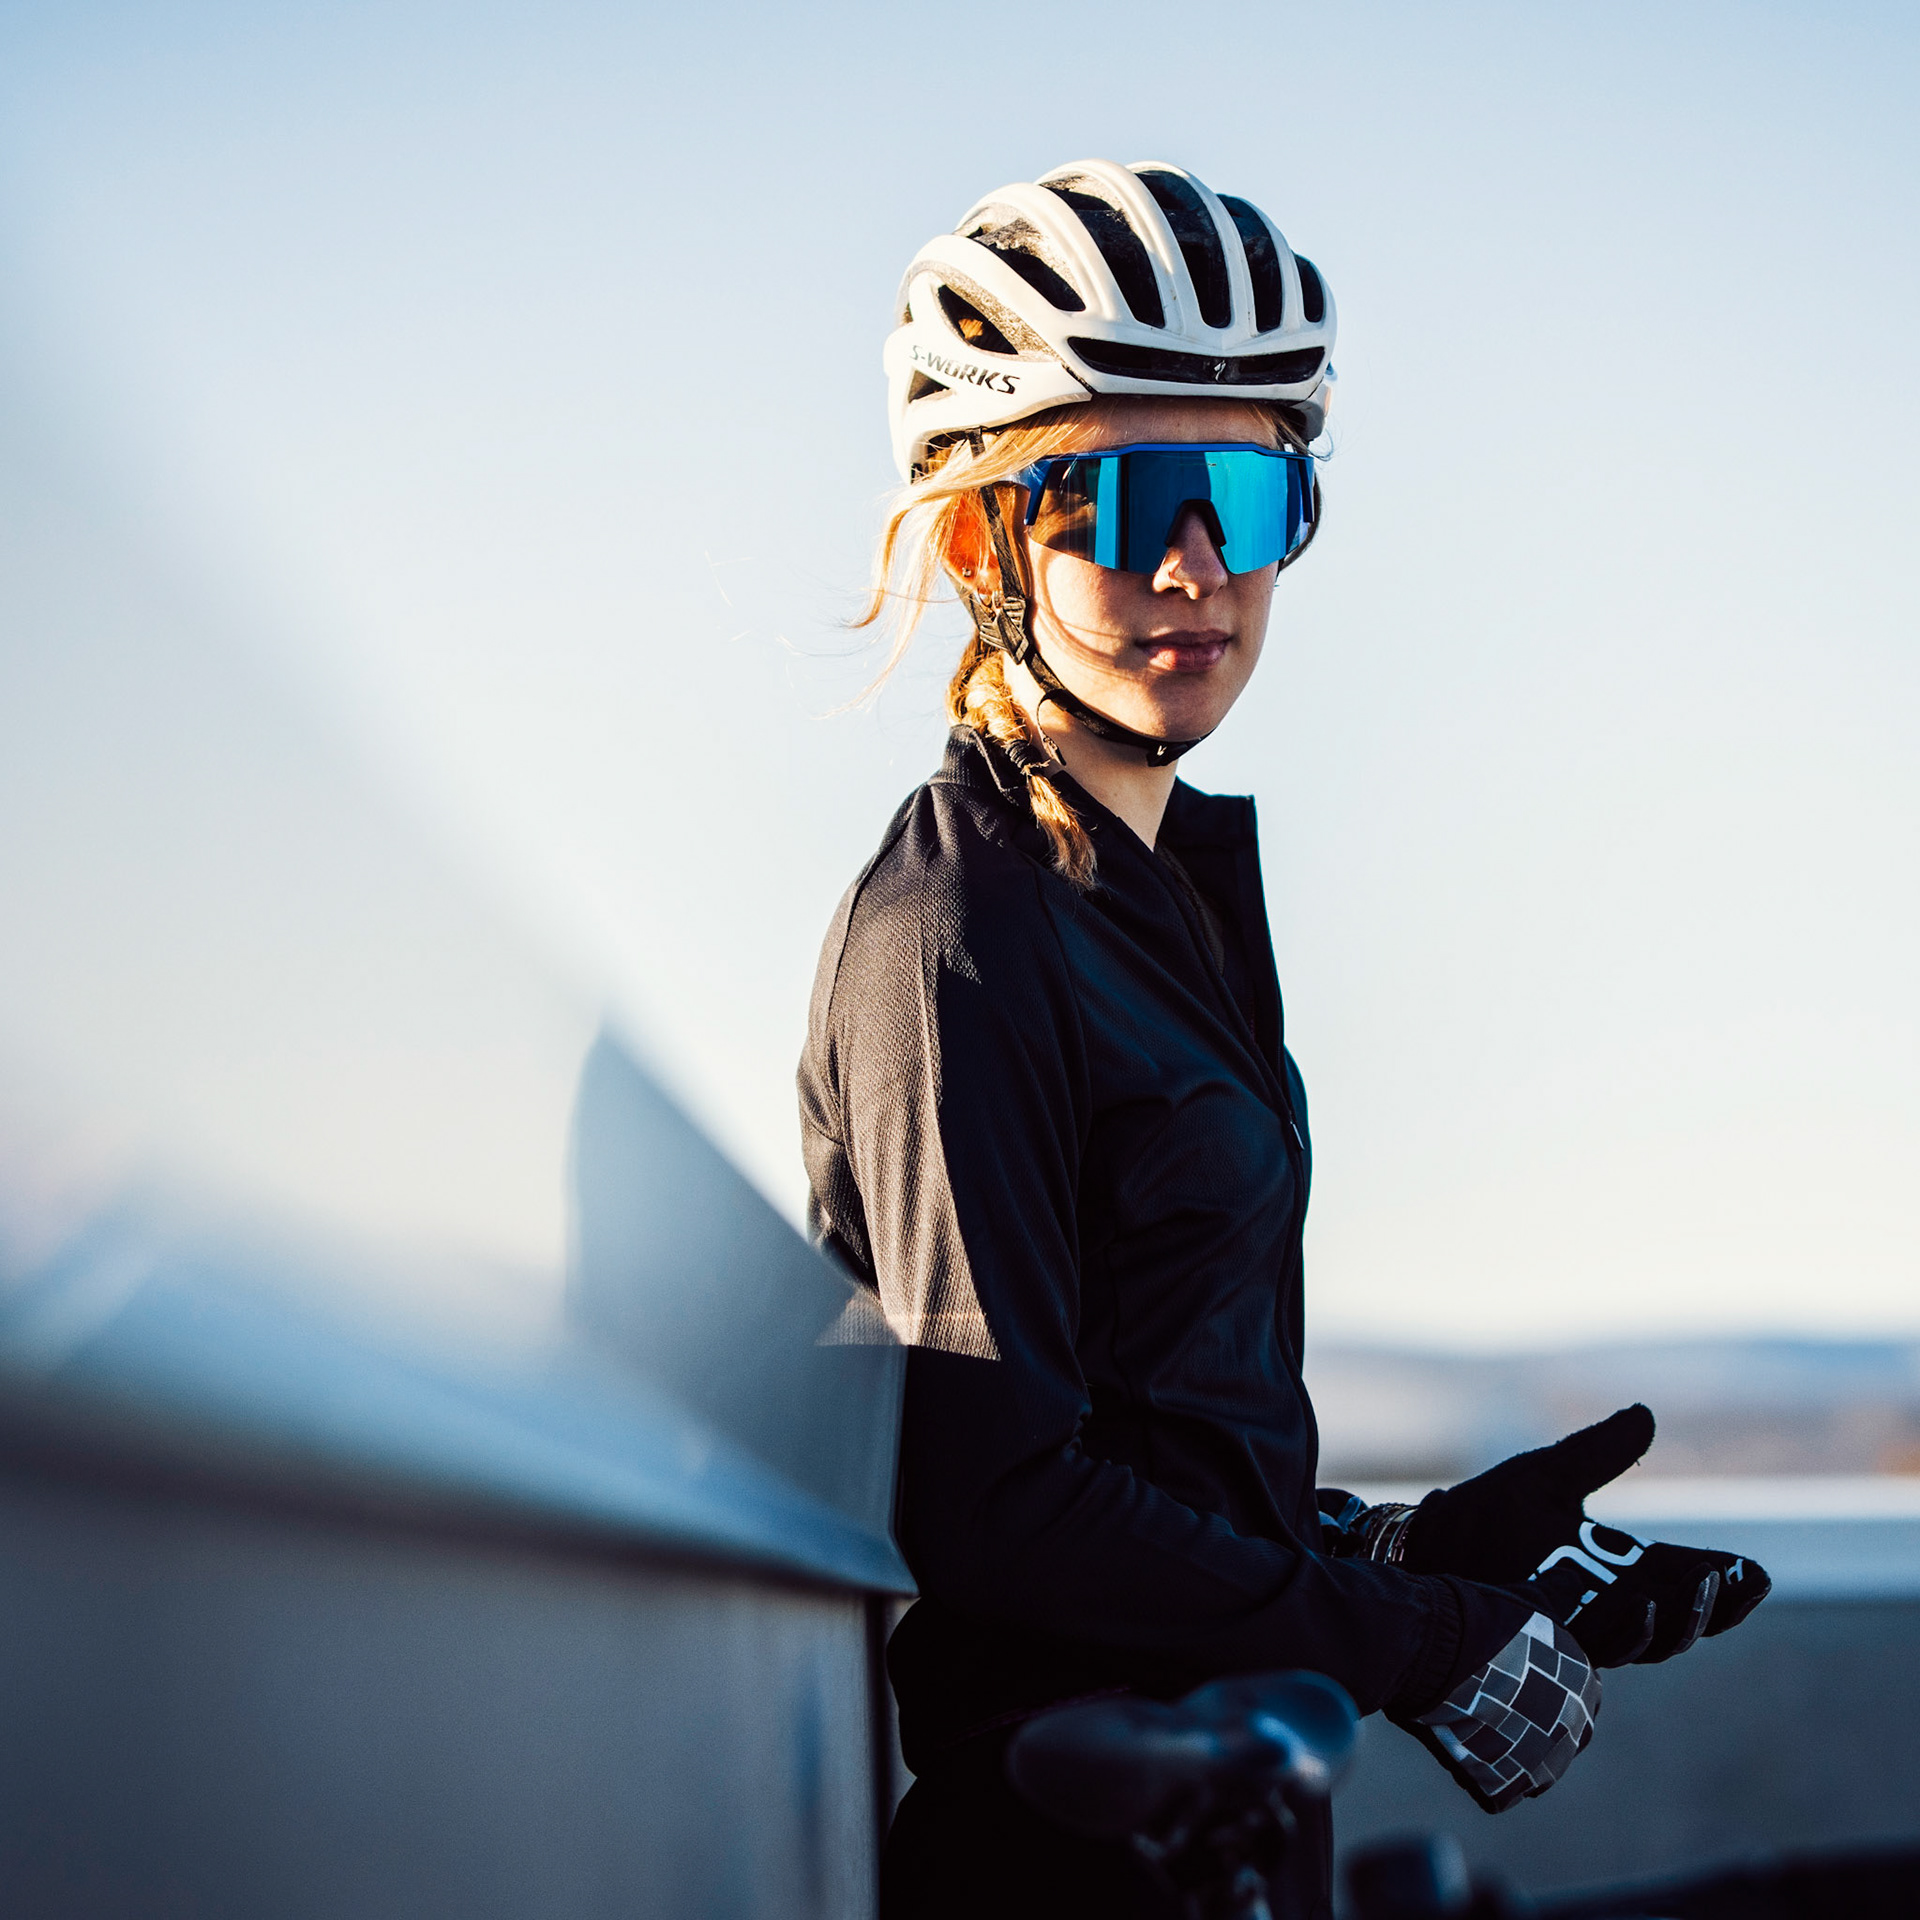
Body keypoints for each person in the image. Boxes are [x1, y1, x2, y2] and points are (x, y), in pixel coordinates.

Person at [797, 160, 1770, 1920]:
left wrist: (1426, 1549)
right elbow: (1002, 1503)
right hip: (1077, 1859)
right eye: (1131, 497)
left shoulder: (1156, 901)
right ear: (980, 543)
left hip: (1230, 1831)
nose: (1198, 567)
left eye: (1246, 498)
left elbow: (1153, 1439)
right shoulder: (959, 938)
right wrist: (1418, 1640)